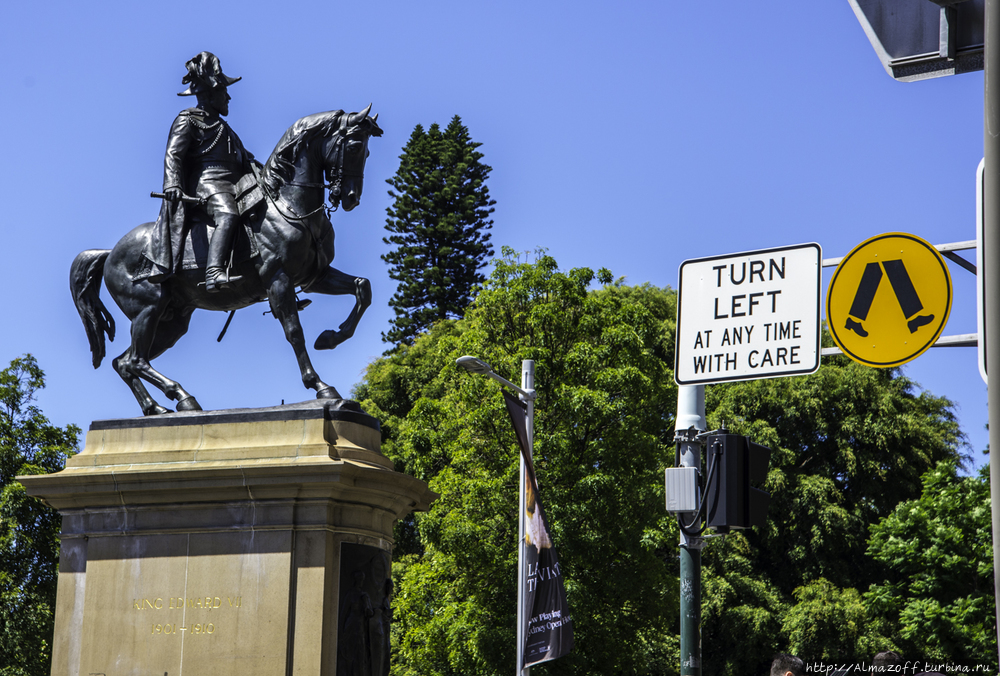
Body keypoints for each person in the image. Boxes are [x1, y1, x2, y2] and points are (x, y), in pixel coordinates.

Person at [149, 51, 256, 291]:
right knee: (228, 214)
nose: (228, 96)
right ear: (209, 94)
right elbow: (173, 155)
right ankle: (213, 272)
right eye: (223, 91)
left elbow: (246, 159)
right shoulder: (187, 120)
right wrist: (173, 184)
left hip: (233, 185)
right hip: (206, 185)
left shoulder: (225, 128)